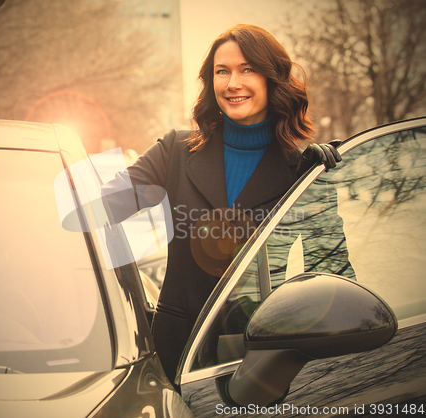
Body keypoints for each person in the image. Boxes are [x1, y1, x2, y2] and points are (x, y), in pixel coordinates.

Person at [101, 24, 341, 386]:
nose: (232, 83)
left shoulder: (304, 172)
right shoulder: (176, 152)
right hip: (176, 359)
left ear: (272, 78)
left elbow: (334, 275)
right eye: (222, 71)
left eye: (248, 69)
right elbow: (101, 210)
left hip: (267, 366)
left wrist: (323, 181)